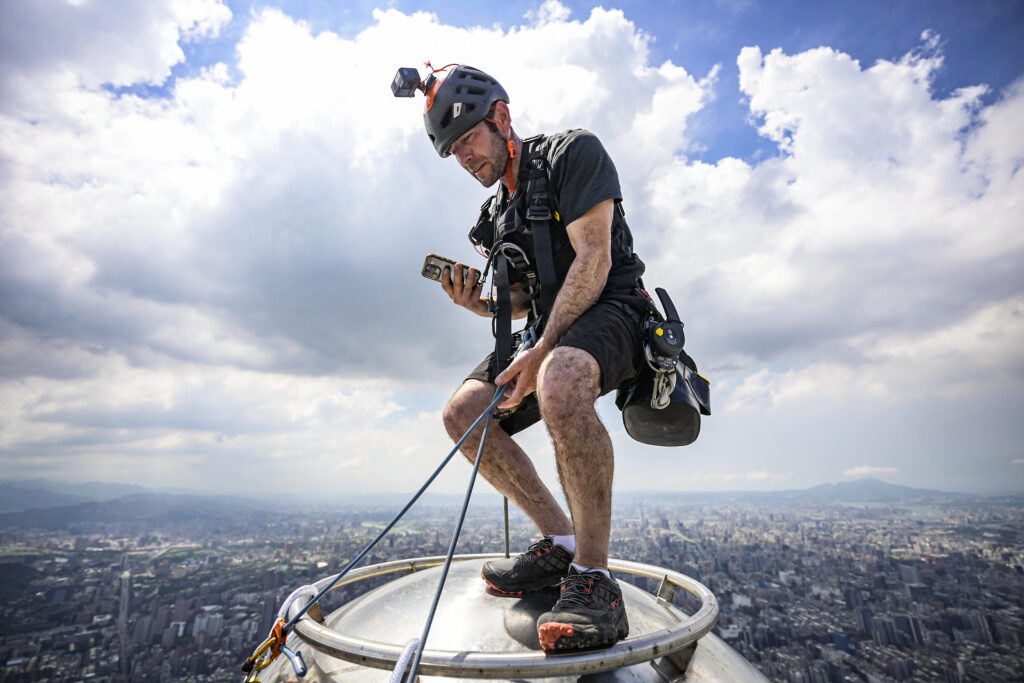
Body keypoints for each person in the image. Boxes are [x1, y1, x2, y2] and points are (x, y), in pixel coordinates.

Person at [425, 65, 648, 652]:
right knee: (463, 413)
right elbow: (523, 300)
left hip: (615, 306)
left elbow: (593, 259)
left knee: (559, 378)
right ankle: (561, 543)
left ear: (500, 117)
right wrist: (484, 305)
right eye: (453, 150)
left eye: (469, 137)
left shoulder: (574, 155)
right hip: (553, 326)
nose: (464, 157)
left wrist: (543, 349)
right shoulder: (492, 217)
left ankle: (595, 580)